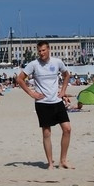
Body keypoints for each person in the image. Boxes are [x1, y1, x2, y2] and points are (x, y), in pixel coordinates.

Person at [16, 40, 73, 170]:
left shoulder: (57, 62)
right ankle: (50, 163)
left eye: (43, 50)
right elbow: (19, 79)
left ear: (48, 49)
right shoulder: (33, 65)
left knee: (67, 129)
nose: (41, 53)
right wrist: (31, 93)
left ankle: (63, 160)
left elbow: (66, 75)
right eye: (39, 51)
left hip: (57, 101)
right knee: (46, 133)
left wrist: (63, 91)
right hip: (42, 103)